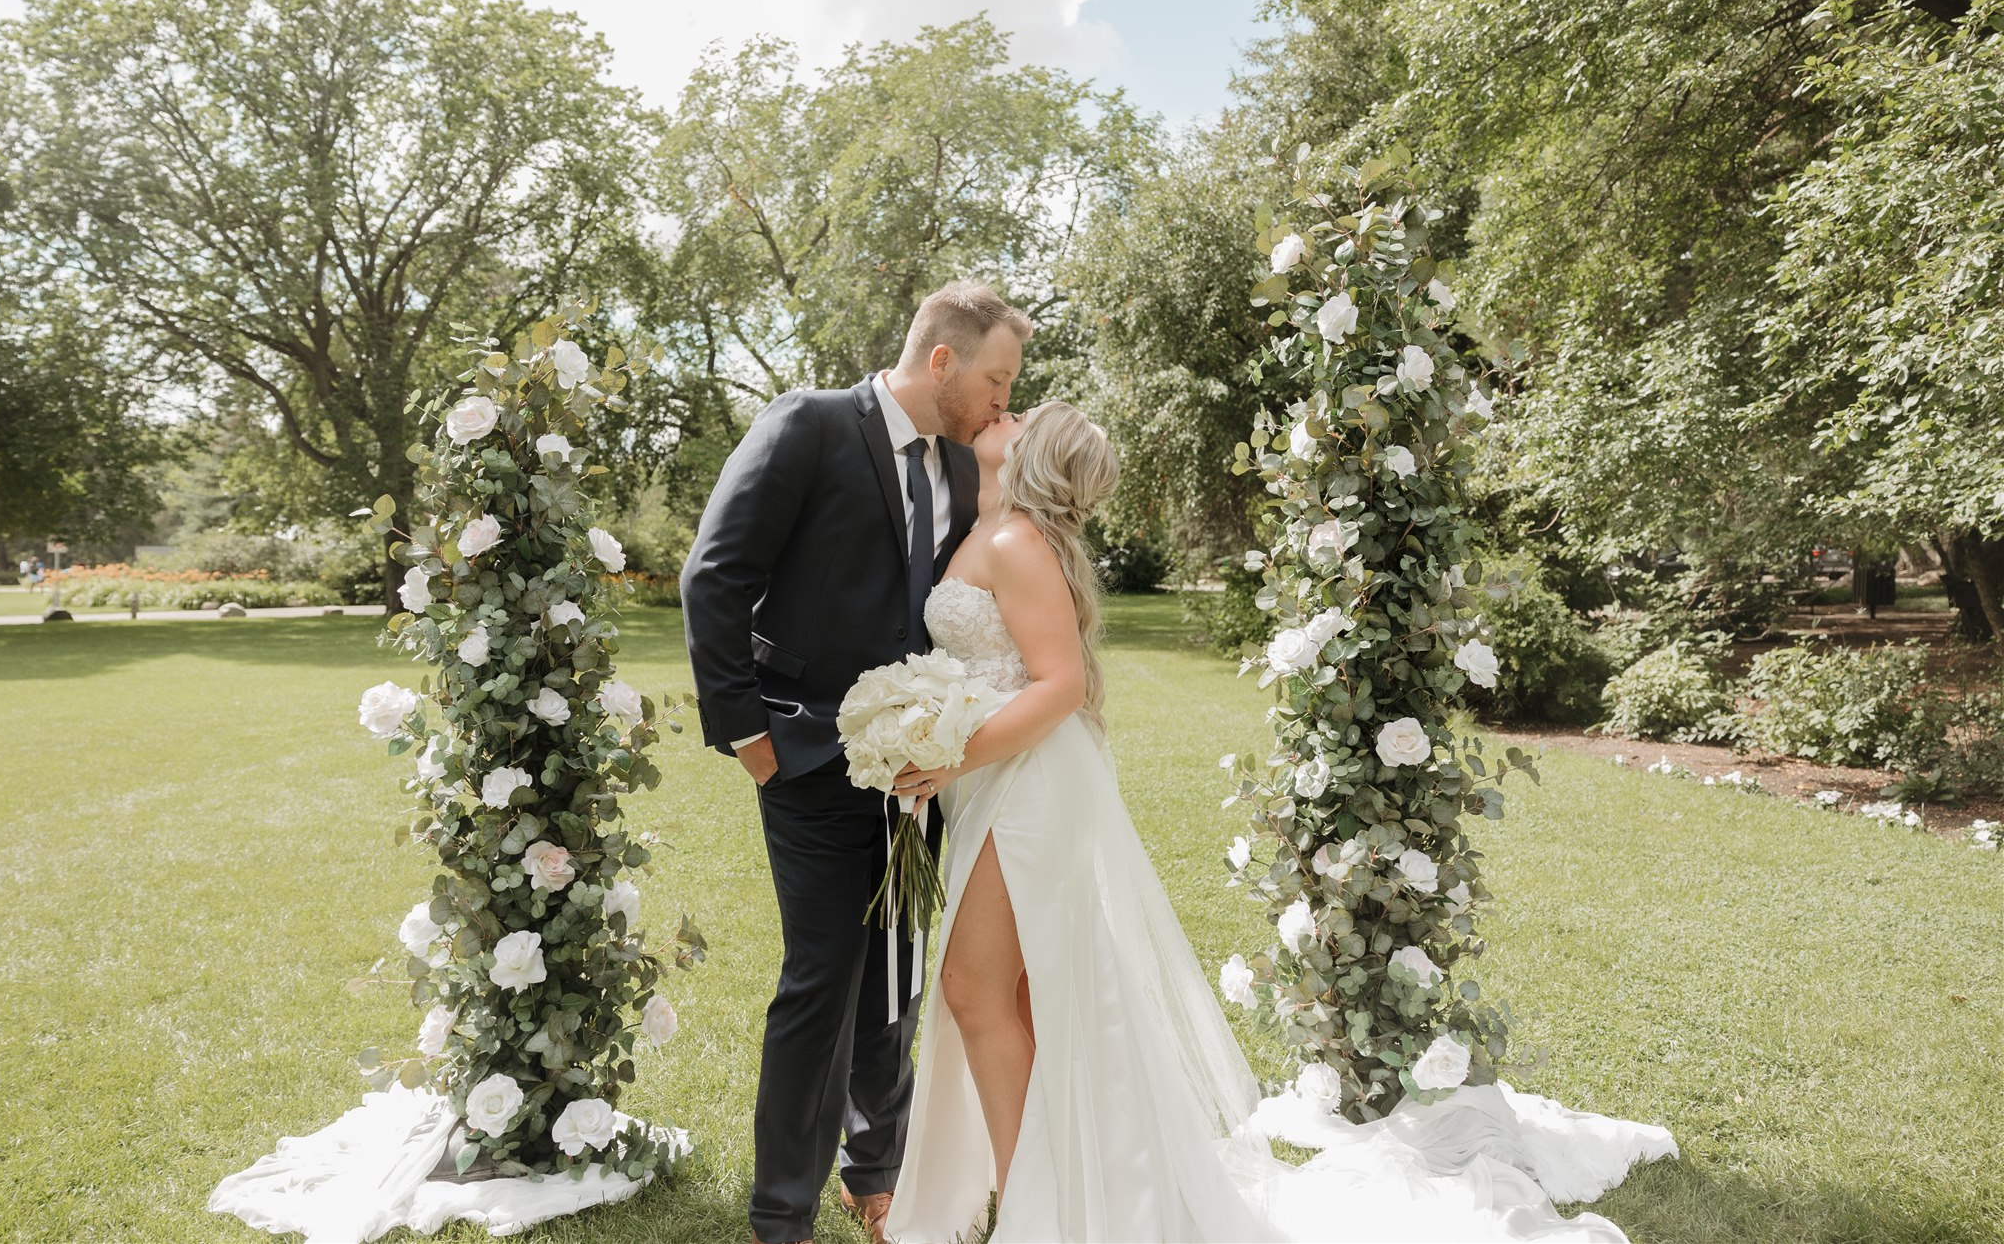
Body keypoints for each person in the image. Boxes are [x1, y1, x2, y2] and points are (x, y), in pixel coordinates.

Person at [882, 402, 1675, 1244]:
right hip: (1002, 775)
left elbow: (1061, 684)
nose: (1006, 408)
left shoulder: (1014, 542)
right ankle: (1057, 1190)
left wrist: (947, 755)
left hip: (1026, 785)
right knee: (1029, 991)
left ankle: (1031, 1206)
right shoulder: (994, 526)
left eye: (1023, 411)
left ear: (1034, 454)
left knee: (979, 989)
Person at [680, 278, 1029, 1244]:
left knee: (898, 970)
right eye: (998, 380)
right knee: (824, 976)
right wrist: (751, 739)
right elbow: (715, 575)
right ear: (942, 359)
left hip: (919, 766)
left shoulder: (962, 465)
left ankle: (875, 1175)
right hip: (803, 756)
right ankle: (778, 1216)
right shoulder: (807, 426)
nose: (1005, 400)